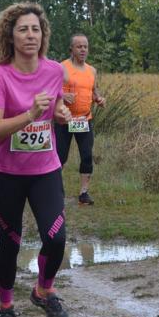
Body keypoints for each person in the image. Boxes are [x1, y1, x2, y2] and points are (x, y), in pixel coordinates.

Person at [0, 2, 72, 317]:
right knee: (11, 241)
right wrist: (29, 116)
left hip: (45, 168)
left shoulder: (53, 71)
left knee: (56, 236)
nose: (30, 35)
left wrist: (60, 112)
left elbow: (57, 100)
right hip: (5, 172)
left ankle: (43, 291)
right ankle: (5, 309)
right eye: (23, 29)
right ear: (10, 34)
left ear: (43, 34)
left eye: (36, 29)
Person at [56, 33, 105, 205]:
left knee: (86, 155)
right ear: (72, 49)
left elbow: (94, 90)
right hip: (64, 119)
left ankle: (84, 193)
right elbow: (50, 89)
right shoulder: (61, 67)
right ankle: (55, 190)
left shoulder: (92, 70)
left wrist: (99, 99)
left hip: (84, 120)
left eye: (85, 46)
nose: (83, 49)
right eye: (79, 46)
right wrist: (62, 94)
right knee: (60, 156)